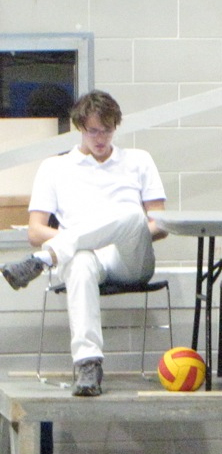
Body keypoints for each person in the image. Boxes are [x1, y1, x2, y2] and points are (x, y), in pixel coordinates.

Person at [2, 90, 168, 396]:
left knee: (132, 215)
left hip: (128, 257)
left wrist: (112, 231)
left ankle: (42, 260)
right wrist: (82, 240)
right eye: (93, 130)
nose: (101, 137)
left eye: (107, 129)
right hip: (83, 258)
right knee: (79, 260)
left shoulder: (138, 161)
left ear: (115, 127)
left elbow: (159, 225)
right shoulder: (55, 167)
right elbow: (35, 231)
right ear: (80, 127)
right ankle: (87, 364)